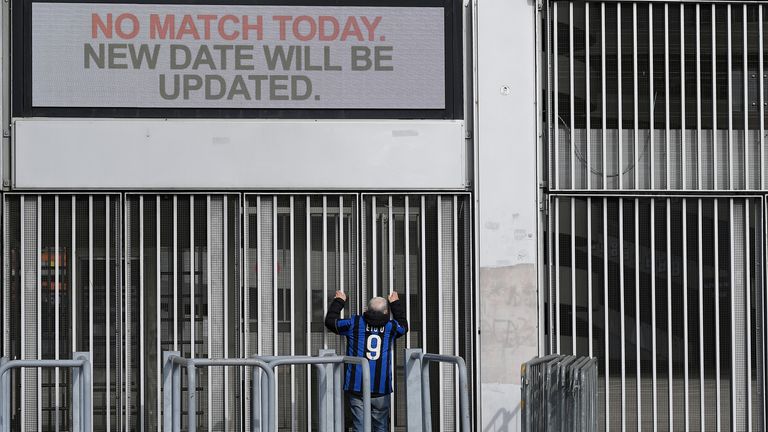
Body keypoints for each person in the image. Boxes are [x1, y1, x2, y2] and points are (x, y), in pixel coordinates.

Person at [324, 290, 408, 432]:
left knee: (359, 426)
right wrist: (395, 303)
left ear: (367, 310)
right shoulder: (391, 327)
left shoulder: (355, 323)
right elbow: (404, 326)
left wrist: (339, 301)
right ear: (386, 312)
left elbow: (331, 322)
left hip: (357, 386)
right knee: (381, 427)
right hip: (381, 387)